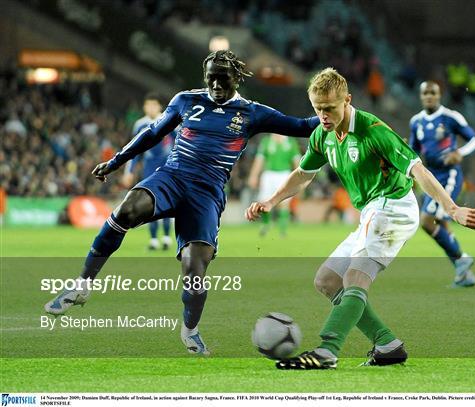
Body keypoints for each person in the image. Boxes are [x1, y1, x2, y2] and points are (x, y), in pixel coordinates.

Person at [44, 50, 319, 356]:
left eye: (223, 78)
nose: (216, 84)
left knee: (194, 269)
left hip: (207, 193)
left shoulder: (252, 113)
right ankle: (82, 285)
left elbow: (303, 126)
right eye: (211, 78)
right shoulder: (186, 100)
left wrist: (334, 112)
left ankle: (190, 330)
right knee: (126, 208)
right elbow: (152, 133)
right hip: (172, 177)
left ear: (236, 79)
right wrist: (117, 160)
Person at [245, 68, 475, 369]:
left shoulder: (374, 130)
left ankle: (326, 351)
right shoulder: (323, 134)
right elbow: (303, 174)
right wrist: (270, 201)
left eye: (330, 108)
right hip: (372, 212)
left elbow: (418, 170)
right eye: (318, 108)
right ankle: (387, 345)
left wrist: (452, 209)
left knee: (354, 277)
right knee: (327, 280)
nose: (323, 115)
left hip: (394, 208)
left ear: (347, 100)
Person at [409, 81, 475, 287]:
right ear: (421, 96)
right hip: (430, 178)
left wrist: (460, 152)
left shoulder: (451, 117)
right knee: (440, 223)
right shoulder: (416, 121)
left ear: (439, 95)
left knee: (426, 221)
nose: (429, 96)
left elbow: (474, 139)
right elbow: (413, 150)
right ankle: (464, 274)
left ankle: (461, 258)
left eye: (433, 93)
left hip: (448, 176)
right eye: (425, 93)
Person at [122, 93, 175, 250]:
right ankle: (153, 240)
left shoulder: (169, 119)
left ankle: (166, 237)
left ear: (159, 106)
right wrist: (129, 171)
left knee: (167, 202)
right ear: (144, 107)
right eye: (148, 105)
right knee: (150, 203)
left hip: (167, 168)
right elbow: (134, 150)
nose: (150, 108)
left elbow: (178, 142)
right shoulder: (140, 125)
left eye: (153, 105)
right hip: (149, 168)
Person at [247, 133, 300, 236]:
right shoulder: (266, 141)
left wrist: (298, 178)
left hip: (284, 174)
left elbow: (296, 161)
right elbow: (259, 160)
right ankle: (266, 225)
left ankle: (282, 230)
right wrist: (253, 175)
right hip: (268, 174)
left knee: (284, 203)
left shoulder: (290, 142)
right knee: (265, 201)